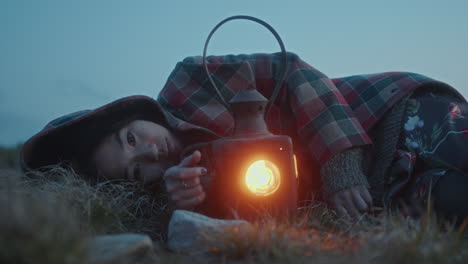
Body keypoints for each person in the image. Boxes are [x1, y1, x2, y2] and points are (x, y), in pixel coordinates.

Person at [21, 52, 468, 221]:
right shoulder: (182, 192)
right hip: (385, 186)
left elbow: (292, 70)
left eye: (132, 139)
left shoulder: (191, 83)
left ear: (133, 115)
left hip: (388, 114)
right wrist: (189, 203)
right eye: (138, 171)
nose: (153, 154)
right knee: (453, 202)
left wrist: (340, 162)